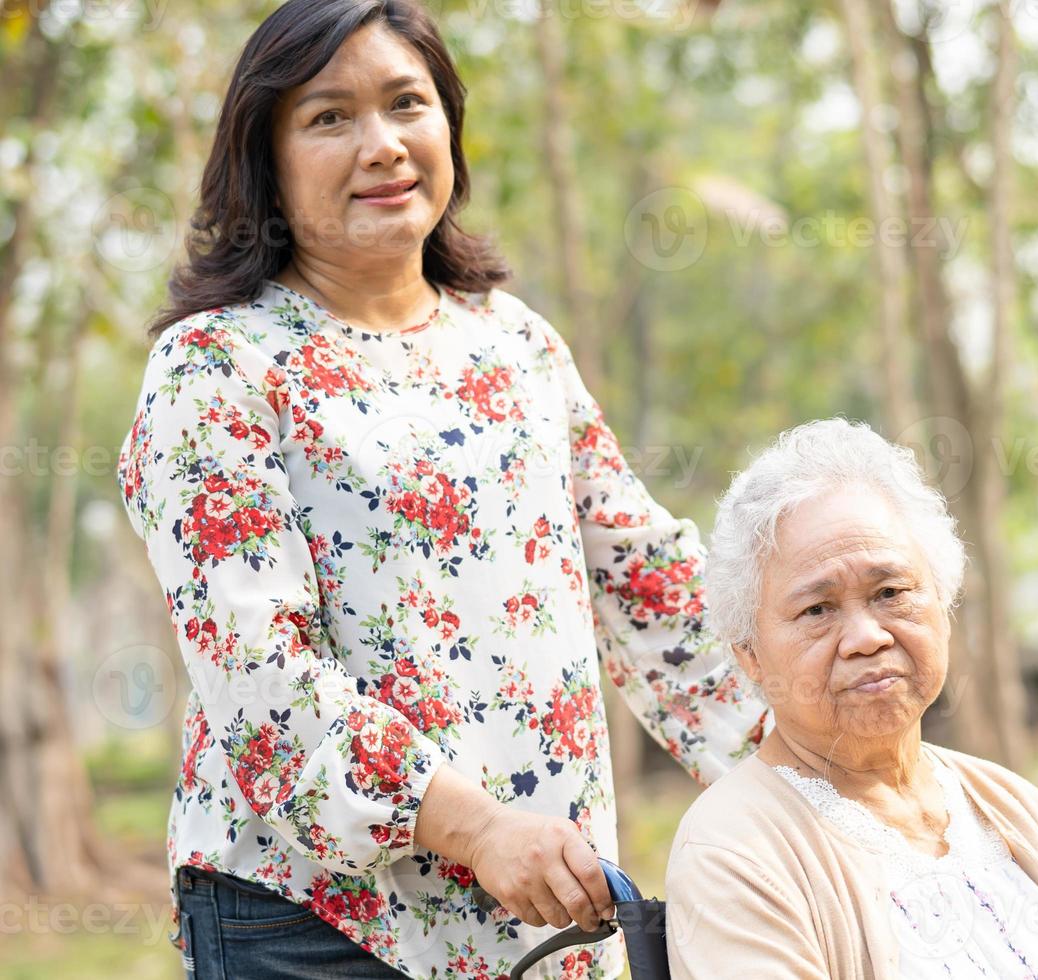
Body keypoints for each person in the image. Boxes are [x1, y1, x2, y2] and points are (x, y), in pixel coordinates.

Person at [114, 2, 767, 977]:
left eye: (406, 103)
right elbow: (259, 673)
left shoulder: (515, 343)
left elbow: (644, 576)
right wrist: (478, 829)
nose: (381, 145)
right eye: (329, 117)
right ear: (268, 157)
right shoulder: (214, 368)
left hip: (544, 901)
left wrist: (808, 758)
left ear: (448, 128)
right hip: (317, 922)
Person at [664, 418, 1038, 979]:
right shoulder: (734, 855)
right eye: (817, 610)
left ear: (942, 601)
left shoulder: (1015, 809)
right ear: (750, 652)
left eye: (890, 592)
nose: (867, 637)